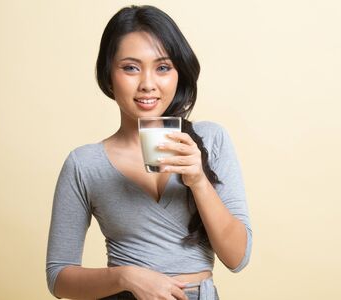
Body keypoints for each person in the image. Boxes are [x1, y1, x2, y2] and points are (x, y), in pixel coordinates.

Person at [46, 5, 252, 300]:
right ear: (108, 75)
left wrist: (198, 181)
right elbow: (58, 277)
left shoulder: (210, 140)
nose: (147, 84)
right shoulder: (84, 163)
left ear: (179, 73)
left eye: (163, 67)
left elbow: (237, 258)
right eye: (130, 67)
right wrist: (126, 276)